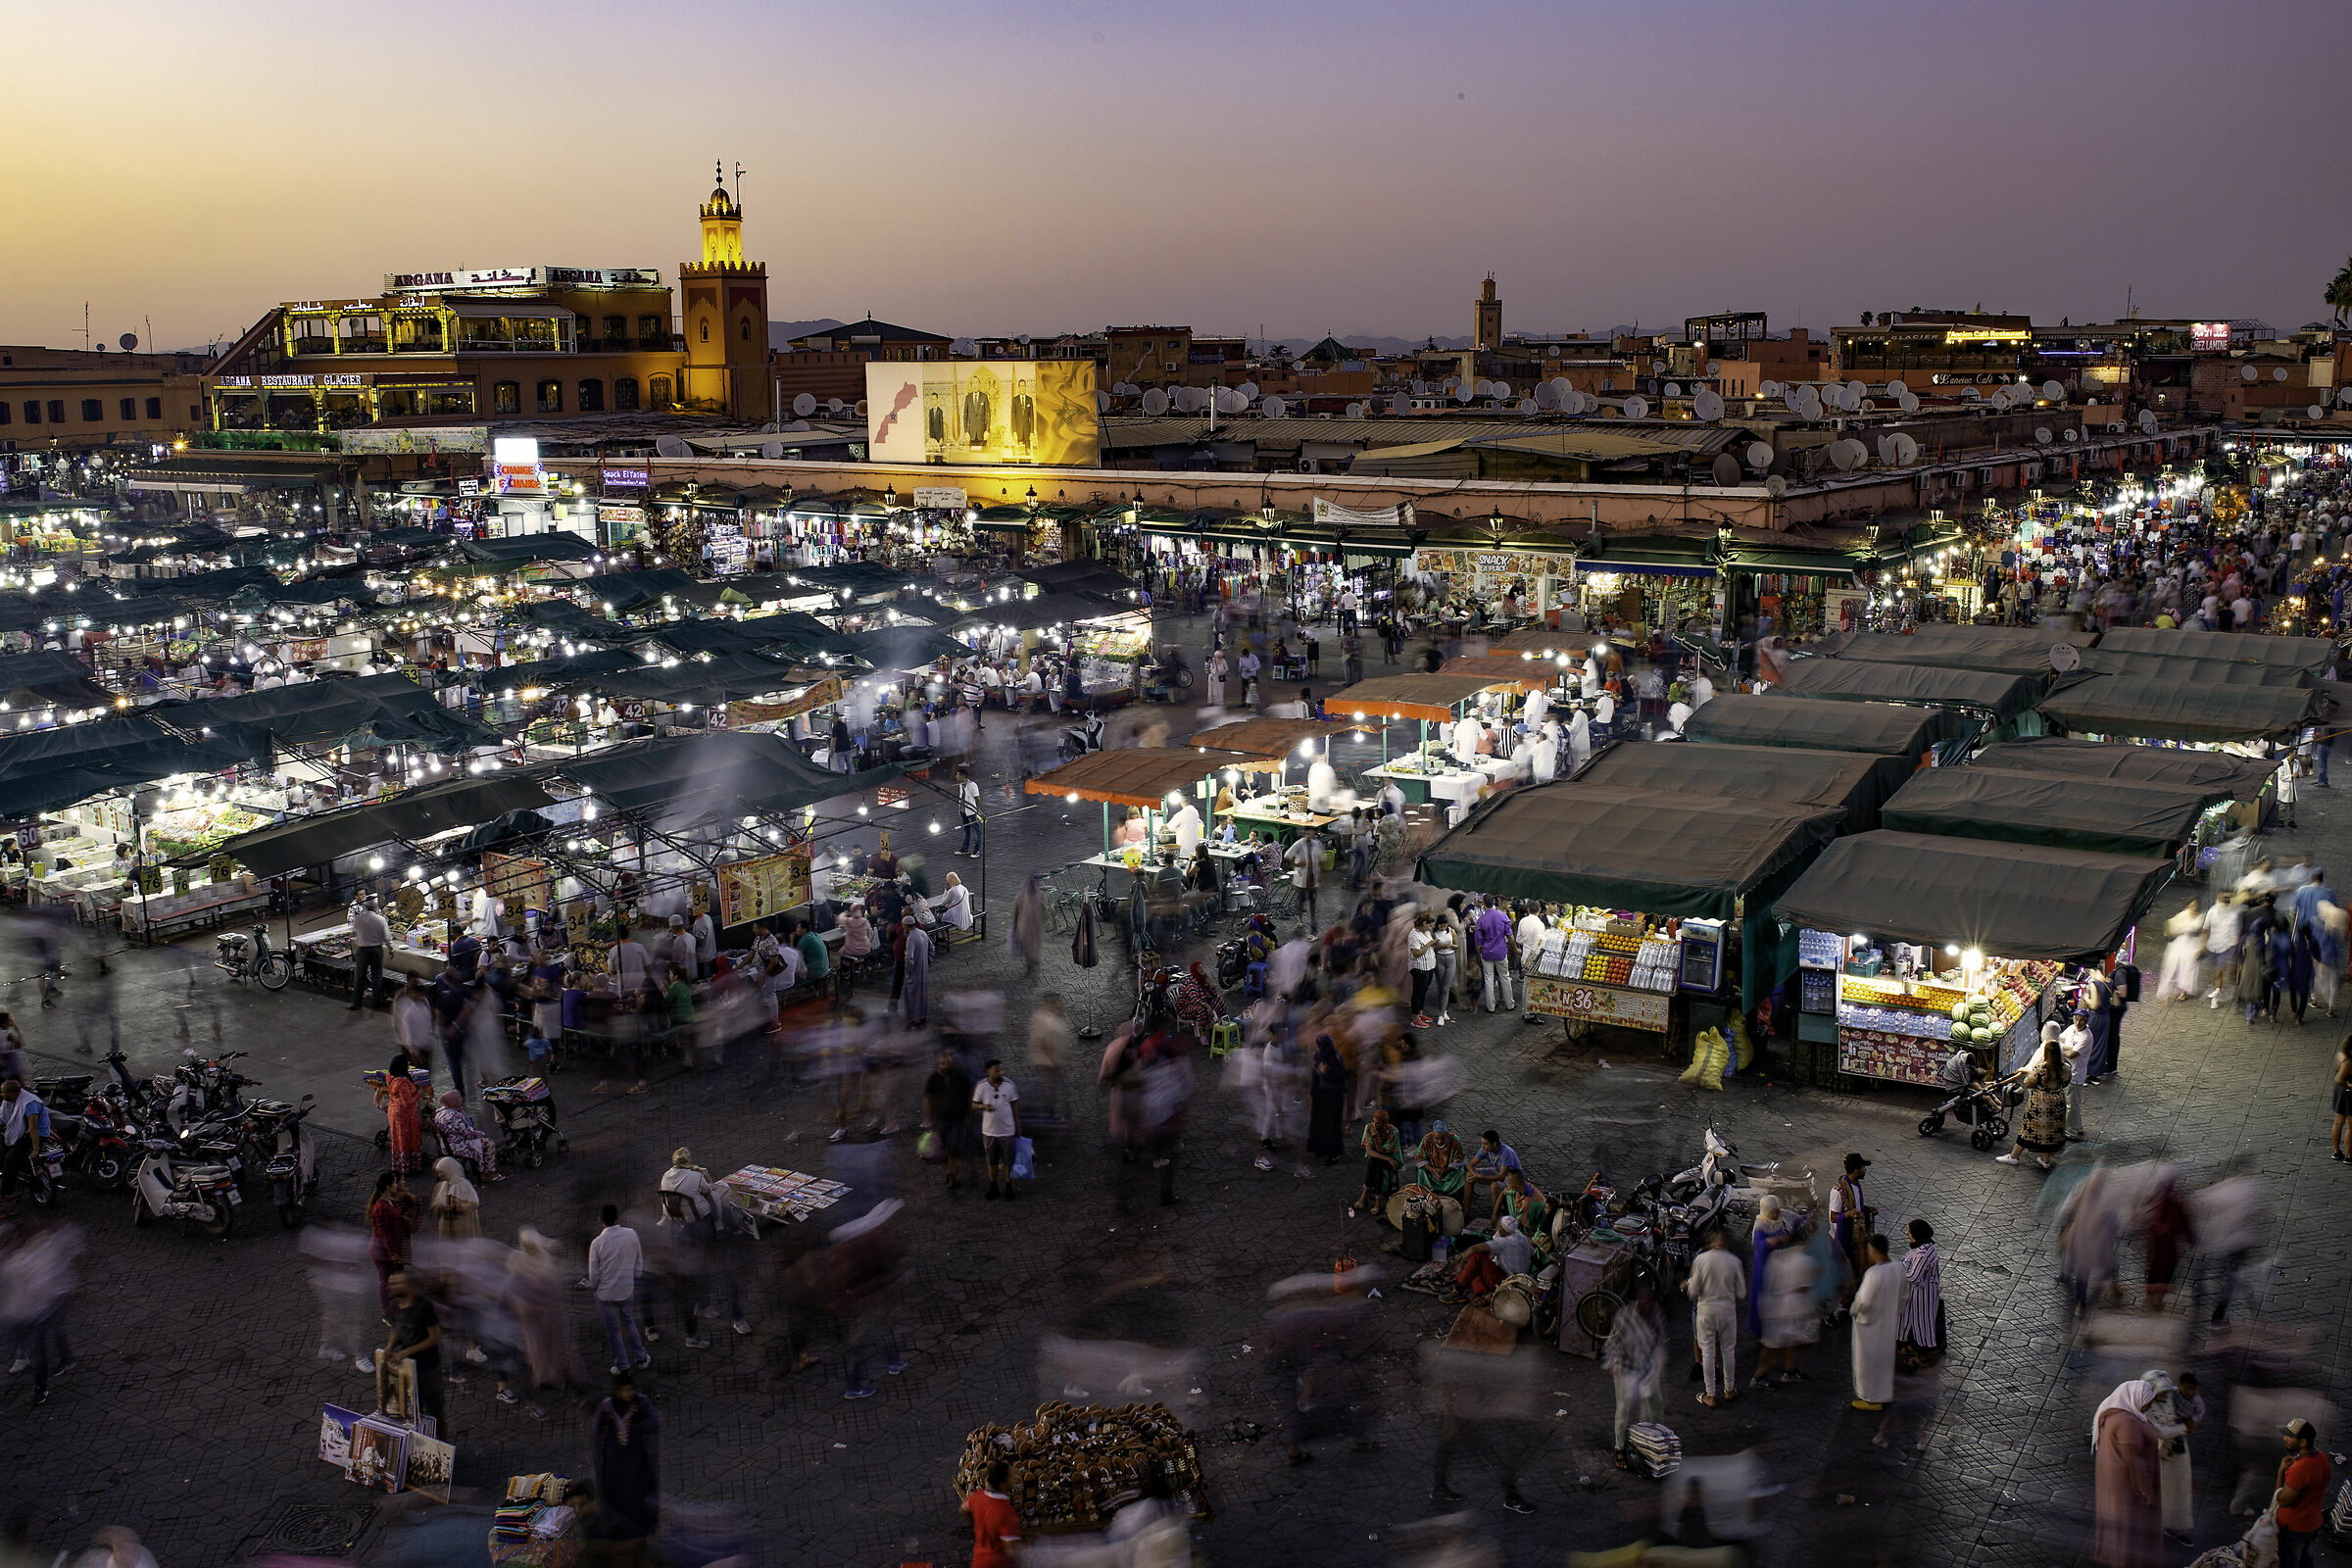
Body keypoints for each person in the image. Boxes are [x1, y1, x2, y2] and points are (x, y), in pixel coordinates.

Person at [2092, 1375, 2166, 1568]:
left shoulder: (2115, 1413)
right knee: (2129, 1523)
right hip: (2127, 1484)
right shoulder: (2127, 1423)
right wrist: (2145, 1490)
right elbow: (2134, 1460)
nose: (2148, 1407)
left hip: (2115, 1480)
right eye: (2147, 1402)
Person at [1603, 1278, 1669, 1470]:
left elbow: (1660, 1341)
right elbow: (1611, 1342)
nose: (1645, 1309)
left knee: (1655, 1405)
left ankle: (1654, 1441)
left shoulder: (1656, 1315)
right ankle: (1620, 1448)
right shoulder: (1624, 1317)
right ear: (1637, 1302)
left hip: (1647, 1368)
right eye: (1642, 1304)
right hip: (1625, 1369)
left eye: (1649, 1305)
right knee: (1623, 1409)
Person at [592, 1372, 662, 1542]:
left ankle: (642, 1530)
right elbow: (596, 1426)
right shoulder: (607, 1405)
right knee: (615, 1495)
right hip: (614, 1460)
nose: (627, 1394)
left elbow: (655, 1421)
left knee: (639, 1494)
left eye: (630, 1390)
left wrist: (639, 1428)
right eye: (623, 1390)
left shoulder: (641, 1402)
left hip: (636, 1458)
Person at [587, 1202, 652, 1375]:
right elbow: (638, 1262)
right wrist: (635, 1275)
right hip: (626, 1289)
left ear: (600, 1220)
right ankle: (641, 1357)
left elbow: (593, 1275)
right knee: (628, 1321)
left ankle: (622, 1365)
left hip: (605, 1294)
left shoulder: (596, 1243)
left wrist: (593, 1287)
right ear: (617, 1218)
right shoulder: (631, 1234)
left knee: (613, 1331)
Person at [381, 1269, 445, 1436]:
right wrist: (390, 1347)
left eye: (395, 1283)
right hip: (407, 1369)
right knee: (411, 1410)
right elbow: (396, 1329)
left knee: (435, 1411)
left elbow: (435, 1337)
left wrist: (405, 1352)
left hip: (427, 1368)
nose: (390, 1287)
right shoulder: (395, 1305)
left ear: (408, 1286)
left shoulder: (424, 1307)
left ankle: (443, 1444)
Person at [1688, 1228, 1746, 1407]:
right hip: (1727, 1311)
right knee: (1728, 1350)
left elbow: (1692, 1292)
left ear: (1713, 1242)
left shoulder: (1701, 1260)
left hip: (1706, 1311)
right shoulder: (1735, 1261)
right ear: (1727, 1244)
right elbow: (1742, 1292)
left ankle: (1710, 1395)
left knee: (1707, 1352)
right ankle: (1729, 1390)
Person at [1998, 1031, 2072, 1170]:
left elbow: (2029, 1082)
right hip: (2058, 1102)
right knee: (2051, 1131)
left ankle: (2014, 1156)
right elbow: (2066, 1082)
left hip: (2040, 1103)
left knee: (2029, 1130)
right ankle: (2045, 1159)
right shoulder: (2065, 1068)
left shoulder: (2041, 1068)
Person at [1849, 1233, 1897, 1412]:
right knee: (1885, 1361)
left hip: (1870, 1327)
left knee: (1868, 1362)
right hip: (1888, 1323)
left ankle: (1871, 1398)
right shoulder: (1897, 1268)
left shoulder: (1874, 1273)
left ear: (1873, 1250)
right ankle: (1885, 1393)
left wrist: (1853, 1311)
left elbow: (1863, 1302)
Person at [2275, 1416, 2331, 1568]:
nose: (2285, 1438)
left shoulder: (2300, 1468)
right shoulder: (2323, 1459)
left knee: (2289, 1563)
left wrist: (2281, 1472)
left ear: (2303, 1442)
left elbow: (2283, 1501)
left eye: (2290, 1436)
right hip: (2314, 1522)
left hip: (2294, 1527)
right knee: (2307, 1561)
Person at [923, 1049, 975, 1192]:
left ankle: (951, 1176)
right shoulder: (933, 1079)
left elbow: (970, 1097)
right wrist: (929, 1118)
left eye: (947, 1064)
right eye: (942, 1064)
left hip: (958, 1120)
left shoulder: (961, 1079)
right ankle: (951, 1170)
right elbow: (928, 1100)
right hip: (941, 1120)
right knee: (945, 1149)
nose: (944, 1066)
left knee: (952, 1149)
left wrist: (970, 1116)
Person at [367, 1171, 416, 1316]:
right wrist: (393, 1253)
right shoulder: (381, 1207)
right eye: (394, 1183)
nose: (396, 1185)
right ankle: (387, 1312)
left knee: (392, 1278)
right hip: (382, 1249)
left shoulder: (388, 1201)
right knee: (386, 1280)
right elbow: (385, 1234)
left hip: (388, 1246)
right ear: (388, 1187)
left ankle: (395, 1306)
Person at [972, 1058, 1020, 1201]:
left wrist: (1018, 1126)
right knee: (991, 1161)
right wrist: (983, 1107)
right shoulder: (981, 1087)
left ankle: (1008, 1186)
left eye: (1000, 1070)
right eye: (997, 1070)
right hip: (989, 1132)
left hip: (1007, 1131)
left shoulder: (1009, 1085)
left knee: (1008, 1161)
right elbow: (973, 1105)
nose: (1000, 1072)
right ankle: (993, 1186)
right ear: (989, 1071)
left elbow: (1014, 1106)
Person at [961, 1458, 1023, 1568]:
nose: (1013, 1480)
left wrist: (977, 1525)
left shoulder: (978, 1497)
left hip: (979, 1560)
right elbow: (1010, 1547)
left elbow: (963, 1510)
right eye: (1010, 1477)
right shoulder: (1006, 1511)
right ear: (1002, 1483)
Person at [432, 1089, 501, 1182]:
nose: (460, 1099)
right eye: (459, 1097)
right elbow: (469, 1134)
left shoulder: (440, 1112)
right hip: (457, 1146)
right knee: (488, 1143)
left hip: (445, 1145)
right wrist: (481, 1133)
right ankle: (488, 1173)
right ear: (454, 1100)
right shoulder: (455, 1116)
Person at [374, 1054, 424, 1176]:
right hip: (404, 1115)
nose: (409, 1065)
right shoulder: (402, 1083)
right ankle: (408, 1166)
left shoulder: (391, 1078)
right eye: (407, 1063)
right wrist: (418, 1093)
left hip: (395, 1112)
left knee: (399, 1140)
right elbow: (407, 1102)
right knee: (408, 1139)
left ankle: (400, 1164)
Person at [1829, 1152, 1874, 1284]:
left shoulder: (1856, 1186)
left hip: (1855, 1236)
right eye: (1863, 1168)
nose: (1865, 1171)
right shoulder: (1838, 1191)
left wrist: (1866, 1209)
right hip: (1843, 1237)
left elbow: (1856, 1206)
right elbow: (1833, 1217)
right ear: (1856, 1171)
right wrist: (1849, 1214)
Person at [1352, 1104, 1401, 1215]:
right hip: (1382, 1159)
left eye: (1378, 1123)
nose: (1375, 1124)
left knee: (1375, 1163)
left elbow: (1383, 1151)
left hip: (1393, 1158)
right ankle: (1376, 1201)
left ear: (1385, 1123)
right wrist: (1387, 1158)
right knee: (1374, 1162)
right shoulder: (1369, 1127)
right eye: (1374, 1121)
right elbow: (1369, 1152)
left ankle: (1366, 1196)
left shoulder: (1393, 1132)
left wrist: (1388, 1157)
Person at [1306, 1035, 1348, 1163]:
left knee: (1331, 1125)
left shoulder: (1334, 1058)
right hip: (1323, 1096)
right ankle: (1323, 1148)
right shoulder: (1322, 1055)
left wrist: (1324, 1072)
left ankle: (1334, 1153)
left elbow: (1338, 1077)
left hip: (1332, 1097)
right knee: (1322, 1124)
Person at [1473, 898, 1515, 1012]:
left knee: (1488, 978)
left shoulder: (1481, 920)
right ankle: (1510, 1004)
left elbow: (1478, 943)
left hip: (1486, 953)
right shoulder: (1502, 916)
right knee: (1505, 977)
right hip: (1501, 952)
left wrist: (1478, 956)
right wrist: (1515, 948)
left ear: (1484, 905)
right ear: (1494, 903)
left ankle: (1490, 1006)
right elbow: (1510, 936)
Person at [349, 897, 389, 1010]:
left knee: (360, 976)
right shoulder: (381, 920)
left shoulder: (358, 919)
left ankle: (356, 1002)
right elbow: (387, 936)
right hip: (376, 950)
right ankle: (375, 1002)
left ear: (365, 907)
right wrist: (390, 948)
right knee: (377, 976)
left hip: (362, 950)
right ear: (376, 907)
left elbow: (354, 930)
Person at [1285, 829, 1324, 931]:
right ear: (1304, 834)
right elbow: (1287, 855)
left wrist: (1321, 875)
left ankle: (1313, 919)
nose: (1308, 836)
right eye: (1307, 833)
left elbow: (1321, 859)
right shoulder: (1299, 844)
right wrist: (1296, 864)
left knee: (1313, 899)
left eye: (1310, 833)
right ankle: (1300, 919)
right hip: (1302, 876)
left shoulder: (1317, 844)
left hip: (1313, 876)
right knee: (1301, 899)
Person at [901, 916, 933, 1029]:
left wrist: (908, 972)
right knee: (922, 994)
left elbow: (909, 958)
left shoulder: (911, 939)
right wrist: (927, 961)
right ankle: (922, 1016)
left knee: (913, 995)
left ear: (905, 925)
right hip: (923, 969)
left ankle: (915, 1018)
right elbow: (931, 948)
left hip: (914, 972)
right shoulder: (922, 933)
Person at [2332, 1035, 2352, 1162]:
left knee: (2338, 1122)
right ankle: (2349, 1156)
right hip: (2348, 1093)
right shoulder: (2349, 1062)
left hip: (2339, 1092)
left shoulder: (2340, 1055)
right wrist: (2349, 1086)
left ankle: (2336, 1152)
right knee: (2351, 1126)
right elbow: (2339, 1079)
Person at [956, 765, 982, 858]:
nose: (956, 776)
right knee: (967, 830)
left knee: (976, 831)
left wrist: (974, 807)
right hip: (963, 811)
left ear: (962, 776)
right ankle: (965, 849)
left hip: (971, 812)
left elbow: (977, 799)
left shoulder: (972, 785)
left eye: (957, 775)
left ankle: (976, 850)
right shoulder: (960, 785)